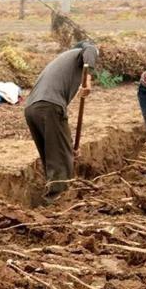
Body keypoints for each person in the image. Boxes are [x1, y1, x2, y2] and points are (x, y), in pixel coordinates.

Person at [24, 41, 98, 202]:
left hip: (31, 109)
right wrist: (88, 80)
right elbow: (91, 49)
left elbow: (59, 140)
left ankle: (52, 195)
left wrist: (68, 149)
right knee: (60, 160)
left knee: (51, 155)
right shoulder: (81, 52)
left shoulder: (62, 61)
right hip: (49, 106)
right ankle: (60, 200)